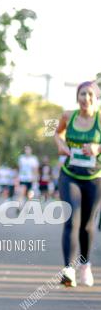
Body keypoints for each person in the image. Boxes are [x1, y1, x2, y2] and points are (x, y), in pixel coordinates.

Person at [54, 81, 101, 287]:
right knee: (71, 219)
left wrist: (97, 148)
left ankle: (85, 264)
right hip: (69, 174)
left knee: (88, 225)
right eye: (83, 94)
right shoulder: (67, 116)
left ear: (96, 98)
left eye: (90, 94)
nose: (86, 98)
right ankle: (68, 270)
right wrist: (62, 146)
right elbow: (57, 133)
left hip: (94, 178)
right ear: (77, 96)